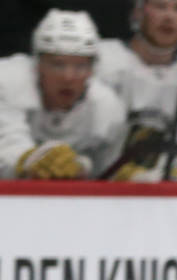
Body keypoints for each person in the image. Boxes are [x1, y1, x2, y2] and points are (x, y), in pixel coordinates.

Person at [93, 0, 177, 181]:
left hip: (169, 200)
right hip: (95, 195)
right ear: (138, 12)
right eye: (160, 6)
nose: (169, 17)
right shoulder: (98, 62)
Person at [0, 10, 126, 180]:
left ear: (91, 71)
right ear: (37, 64)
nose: (68, 77)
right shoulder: (7, 82)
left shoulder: (107, 108)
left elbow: (108, 170)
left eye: (80, 66)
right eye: (58, 65)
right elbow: (6, 142)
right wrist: (26, 160)